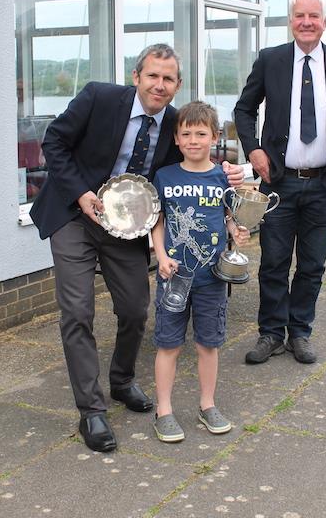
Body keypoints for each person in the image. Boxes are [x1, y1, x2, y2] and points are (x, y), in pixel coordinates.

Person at [29, 44, 243, 452]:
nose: (159, 85)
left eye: (168, 79)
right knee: (77, 311)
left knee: (134, 309)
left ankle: (122, 379)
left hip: (127, 228)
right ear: (136, 76)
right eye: (152, 76)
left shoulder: (177, 124)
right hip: (75, 214)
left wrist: (228, 169)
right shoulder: (98, 97)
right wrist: (80, 193)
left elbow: (198, 157)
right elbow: (54, 142)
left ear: (177, 85)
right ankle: (92, 410)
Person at [234, 0, 326, 366]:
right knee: (273, 263)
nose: (306, 22)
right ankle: (271, 333)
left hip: (324, 183)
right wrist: (253, 149)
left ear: (325, 22)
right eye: (300, 16)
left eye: (313, 16)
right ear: (290, 21)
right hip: (279, 182)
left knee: (312, 265)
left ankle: (300, 333)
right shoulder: (271, 60)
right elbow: (244, 109)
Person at [151, 101, 249, 442]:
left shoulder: (223, 176)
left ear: (215, 137)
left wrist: (238, 230)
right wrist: (160, 256)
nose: (194, 140)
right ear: (176, 139)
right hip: (172, 277)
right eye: (186, 133)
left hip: (212, 278)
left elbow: (230, 216)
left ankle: (207, 404)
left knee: (209, 344)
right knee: (169, 344)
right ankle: (163, 410)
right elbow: (157, 222)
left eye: (201, 133)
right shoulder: (164, 176)